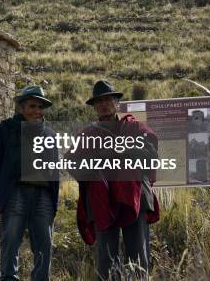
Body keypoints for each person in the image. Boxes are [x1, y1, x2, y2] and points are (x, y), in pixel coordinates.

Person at [69, 80, 160, 280]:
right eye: (98, 101)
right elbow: (72, 163)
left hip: (134, 197)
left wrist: (126, 151)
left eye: (108, 100)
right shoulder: (87, 135)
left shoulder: (135, 127)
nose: (103, 104)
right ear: (94, 107)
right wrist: (98, 163)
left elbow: (151, 155)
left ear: (117, 103)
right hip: (101, 200)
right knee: (106, 258)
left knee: (138, 256)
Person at [0, 85, 60, 281]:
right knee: (10, 240)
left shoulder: (50, 136)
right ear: (21, 108)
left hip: (43, 195)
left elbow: (55, 171)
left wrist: (54, 202)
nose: (37, 111)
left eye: (40, 107)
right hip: (15, 192)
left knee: (44, 243)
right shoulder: (4, 130)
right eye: (32, 106)